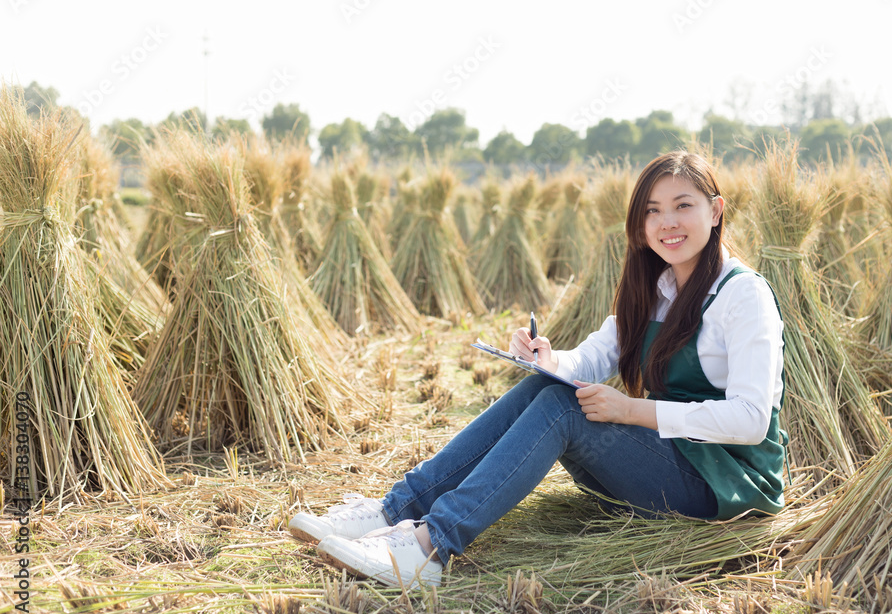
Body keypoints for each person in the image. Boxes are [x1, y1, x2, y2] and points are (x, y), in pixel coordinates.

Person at [288, 151, 787, 588]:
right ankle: (394, 510)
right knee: (546, 389)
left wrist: (633, 411)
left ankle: (428, 547)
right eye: (653, 211)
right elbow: (593, 356)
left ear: (715, 211)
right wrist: (547, 360)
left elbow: (750, 421)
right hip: (673, 460)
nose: (667, 223)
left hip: (726, 486)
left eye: (684, 206)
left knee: (562, 409)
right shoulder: (658, 288)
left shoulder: (744, 295)